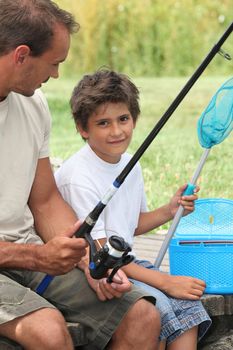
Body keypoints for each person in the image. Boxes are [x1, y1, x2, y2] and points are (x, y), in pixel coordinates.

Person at [0, 2, 162, 350]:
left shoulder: (33, 104)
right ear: (21, 55)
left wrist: (91, 260)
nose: (57, 75)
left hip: (26, 254)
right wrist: (36, 257)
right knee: (48, 329)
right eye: (55, 63)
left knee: (142, 315)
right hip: (21, 258)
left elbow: (44, 200)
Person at [55, 68, 212, 350]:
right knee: (160, 306)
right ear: (83, 128)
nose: (116, 131)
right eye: (103, 123)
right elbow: (101, 255)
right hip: (94, 270)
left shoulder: (131, 164)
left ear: (135, 119)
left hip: (128, 263)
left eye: (123, 119)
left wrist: (170, 209)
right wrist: (165, 281)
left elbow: (132, 224)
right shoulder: (77, 176)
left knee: (189, 308)